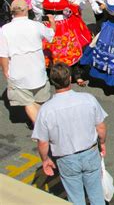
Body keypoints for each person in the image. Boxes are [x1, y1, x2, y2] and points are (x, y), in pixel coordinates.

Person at [32, 62, 108, 205]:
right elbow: (101, 127)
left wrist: (45, 160)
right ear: (70, 79)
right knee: (97, 194)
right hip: (90, 152)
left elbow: (42, 142)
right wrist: (102, 144)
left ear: (52, 82)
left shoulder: (46, 110)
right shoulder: (88, 99)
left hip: (66, 159)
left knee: (75, 198)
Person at [0, 0, 55, 124]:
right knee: (39, 100)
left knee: (28, 102)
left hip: (18, 70)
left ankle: (41, 127)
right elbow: (51, 35)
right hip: (37, 70)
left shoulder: (4, 29)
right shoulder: (36, 25)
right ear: (26, 10)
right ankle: (42, 126)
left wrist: (5, 71)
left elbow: (3, 55)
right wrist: (52, 22)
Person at [31, 0, 92, 86]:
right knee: (51, 51)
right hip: (50, 26)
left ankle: (76, 75)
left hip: (65, 25)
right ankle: (55, 77)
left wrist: (75, 6)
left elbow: (81, 3)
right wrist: (42, 17)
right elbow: (34, 5)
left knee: (70, 50)